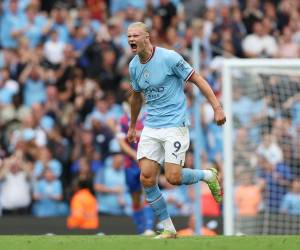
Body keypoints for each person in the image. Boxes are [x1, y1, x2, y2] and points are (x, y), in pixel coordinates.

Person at [126, 22, 226, 239]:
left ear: (147, 37)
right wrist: (133, 126)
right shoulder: (134, 66)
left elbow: (197, 79)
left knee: (173, 177)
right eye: (129, 36)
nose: (131, 39)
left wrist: (217, 107)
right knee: (146, 178)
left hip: (174, 124)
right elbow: (135, 97)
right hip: (151, 126)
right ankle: (168, 228)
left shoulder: (169, 58)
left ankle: (208, 175)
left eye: (135, 35)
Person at [117, 95, 154, 235]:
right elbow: (121, 142)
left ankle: (149, 227)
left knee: (148, 192)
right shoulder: (123, 120)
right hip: (130, 164)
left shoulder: (148, 117)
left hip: (146, 160)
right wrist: (134, 156)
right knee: (135, 197)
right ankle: (140, 229)